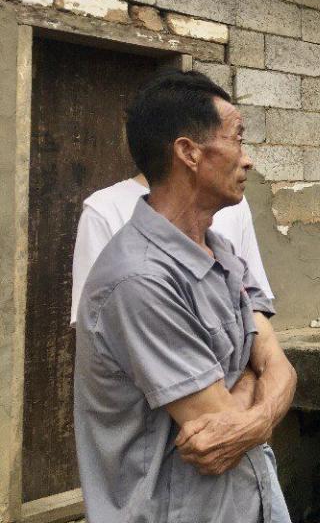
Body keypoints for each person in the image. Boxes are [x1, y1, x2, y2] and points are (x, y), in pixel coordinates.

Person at [74, 70, 297, 523]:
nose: (248, 159)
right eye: (237, 138)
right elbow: (217, 431)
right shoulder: (138, 280)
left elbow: (279, 366)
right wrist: (258, 378)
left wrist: (255, 418)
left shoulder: (223, 253)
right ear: (189, 152)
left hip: (251, 499)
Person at [70, 174, 273, 325]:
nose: (246, 159)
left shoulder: (233, 203)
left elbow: (254, 303)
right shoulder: (103, 210)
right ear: (187, 151)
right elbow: (94, 324)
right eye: (233, 140)